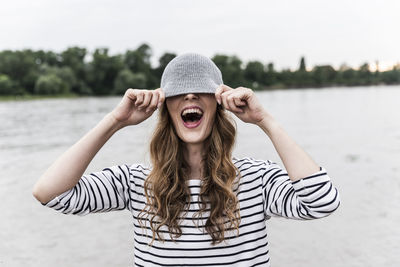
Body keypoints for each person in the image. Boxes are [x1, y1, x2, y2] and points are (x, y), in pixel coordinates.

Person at [33, 53, 340, 266]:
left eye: (201, 90)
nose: (190, 97)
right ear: (166, 107)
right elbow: (50, 193)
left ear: (218, 104)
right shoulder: (136, 182)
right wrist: (115, 120)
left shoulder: (256, 180)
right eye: (179, 92)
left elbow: (322, 202)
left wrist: (265, 121)